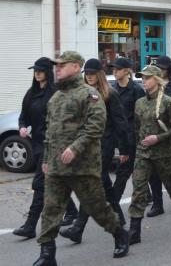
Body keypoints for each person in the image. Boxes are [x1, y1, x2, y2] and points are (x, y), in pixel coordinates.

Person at [33, 51, 129, 265]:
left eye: (62, 65)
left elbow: (95, 126)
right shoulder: (56, 98)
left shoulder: (89, 94)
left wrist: (75, 148)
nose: (57, 68)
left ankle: (120, 234)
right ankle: (47, 253)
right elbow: (50, 132)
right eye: (56, 65)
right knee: (50, 210)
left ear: (77, 66)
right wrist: (47, 160)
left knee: (98, 208)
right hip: (57, 167)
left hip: (83, 166)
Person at [60, 58, 129, 243]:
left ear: (99, 75)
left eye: (92, 74)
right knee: (104, 185)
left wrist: (124, 149)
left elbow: (120, 123)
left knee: (90, 186)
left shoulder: (109, 94)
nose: (89, 77)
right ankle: (119, 219)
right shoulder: (82, 94)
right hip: (86, 147)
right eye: (87, 74)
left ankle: (78, 228)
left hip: (104, 147)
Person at [14, 58, 79, 240]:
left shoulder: (55, 93)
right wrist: (23, 126)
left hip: (52, 145)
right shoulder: (31, 93)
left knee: (40, 184)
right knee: (54, 182)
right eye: (35, 70)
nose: (37, 73)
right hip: (36, 145)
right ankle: (72, 211)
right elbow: (23, 116)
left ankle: (30, 225)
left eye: (40, 70)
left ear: (47, 72)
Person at [127, 65, 171, 246]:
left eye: (147, 78)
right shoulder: (139, 103)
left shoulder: (168, 102)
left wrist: (158, 138)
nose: (144, 81)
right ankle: (134, 230)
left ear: (157, 79)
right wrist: (141, 143)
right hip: (143, 153)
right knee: (138, 190)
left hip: (164, 154)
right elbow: (137, 127)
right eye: (142, 78)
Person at [110, 58, 146, 214]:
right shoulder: (112, 89)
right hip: (118, 137)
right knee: (128, 172)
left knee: (124, 173)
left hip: (133, 137)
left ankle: (113, 203)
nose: (114, 72)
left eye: (117, 69)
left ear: (126, 71)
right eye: (113, 69)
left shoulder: (136, 90)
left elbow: (142, 116)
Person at [147, 55, 171, 218]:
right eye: (158, 68)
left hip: (170, 135)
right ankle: (157, 203)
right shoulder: (152, 86)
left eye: (163, 68)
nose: (160, 71)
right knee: (153, 174)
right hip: (153, 134)